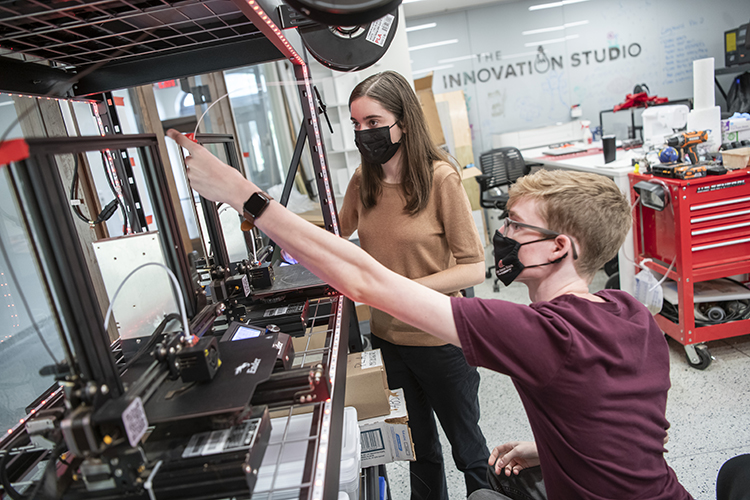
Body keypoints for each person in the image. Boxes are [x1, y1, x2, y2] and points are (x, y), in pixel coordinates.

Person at [165, 126, 693, 499]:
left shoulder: (544, 333)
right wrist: (551, 448)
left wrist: (243, 195)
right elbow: (646, 431)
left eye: (514, 226)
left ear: (558, 248)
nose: (501, 234)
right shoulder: (628, 311)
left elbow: (364, 280)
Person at [338, 71, 489, 500]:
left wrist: (402, 290)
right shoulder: (362, 180)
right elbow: (335, 237)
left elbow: (474, 267)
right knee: (418, 449)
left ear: (402, 121)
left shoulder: (440, 178)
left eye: (373, 122)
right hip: (389, 340)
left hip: (440, 337)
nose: (364, 133)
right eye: (356, 124)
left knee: (469, 451)